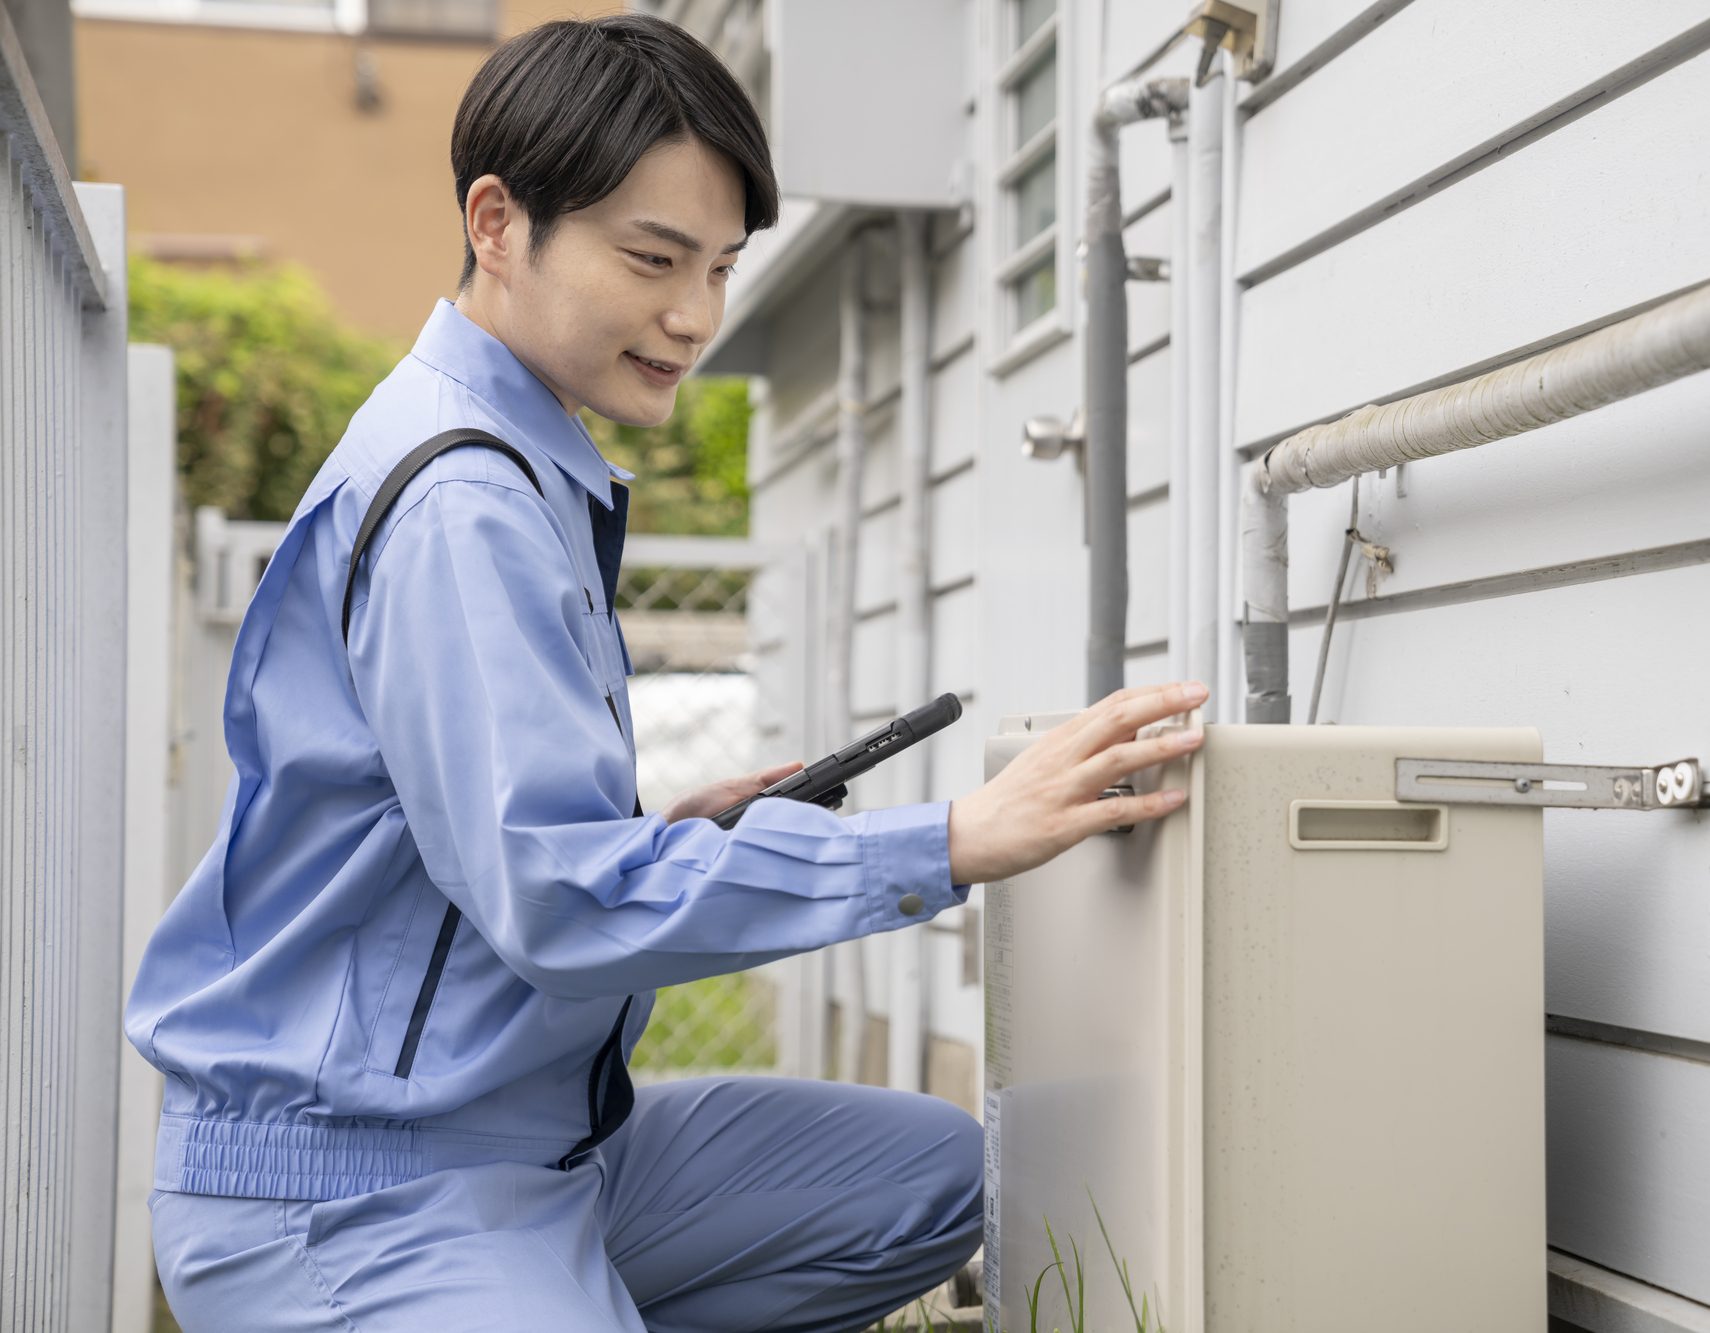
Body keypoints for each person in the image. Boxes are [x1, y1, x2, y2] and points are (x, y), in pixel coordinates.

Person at [129, 14, 1207, 1332]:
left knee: (938, 1176)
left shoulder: (522, 461)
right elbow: (550, 898)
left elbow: (483, 847)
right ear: (496, 221)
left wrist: (674, 835)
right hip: (359, 1189)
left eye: (721, 267)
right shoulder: (461, 498)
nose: (693, 316)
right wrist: (957, 838)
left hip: (550, 1157)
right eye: (653, 259)